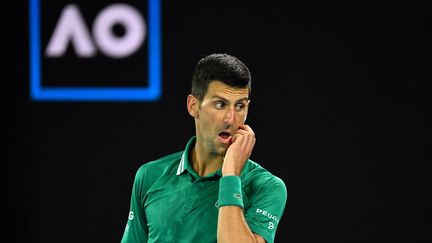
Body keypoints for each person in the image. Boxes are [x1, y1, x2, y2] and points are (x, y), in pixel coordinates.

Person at [121, 53, 287, 243]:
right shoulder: (150, 176)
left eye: (240, 106)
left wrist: (231, 175)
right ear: (193, 106)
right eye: (220, 104)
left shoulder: (265, 186)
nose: (230, 119)